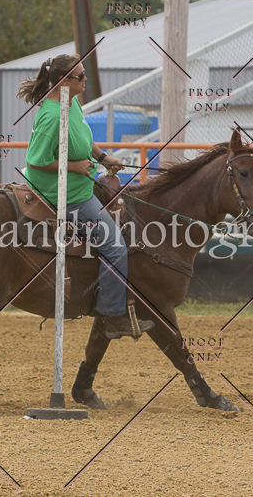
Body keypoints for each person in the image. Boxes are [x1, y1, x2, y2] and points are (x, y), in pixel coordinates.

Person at [16, 54, 154, 339]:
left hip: (80, 184)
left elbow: (83, 139)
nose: (85, 79)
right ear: (63, 82)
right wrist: (74, 166)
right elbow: (35, 161)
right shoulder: (52, 115)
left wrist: (103, 158)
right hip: (64, 195)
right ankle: (112, 316)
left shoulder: (71, 102)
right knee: (115, 246)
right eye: (80, 76)